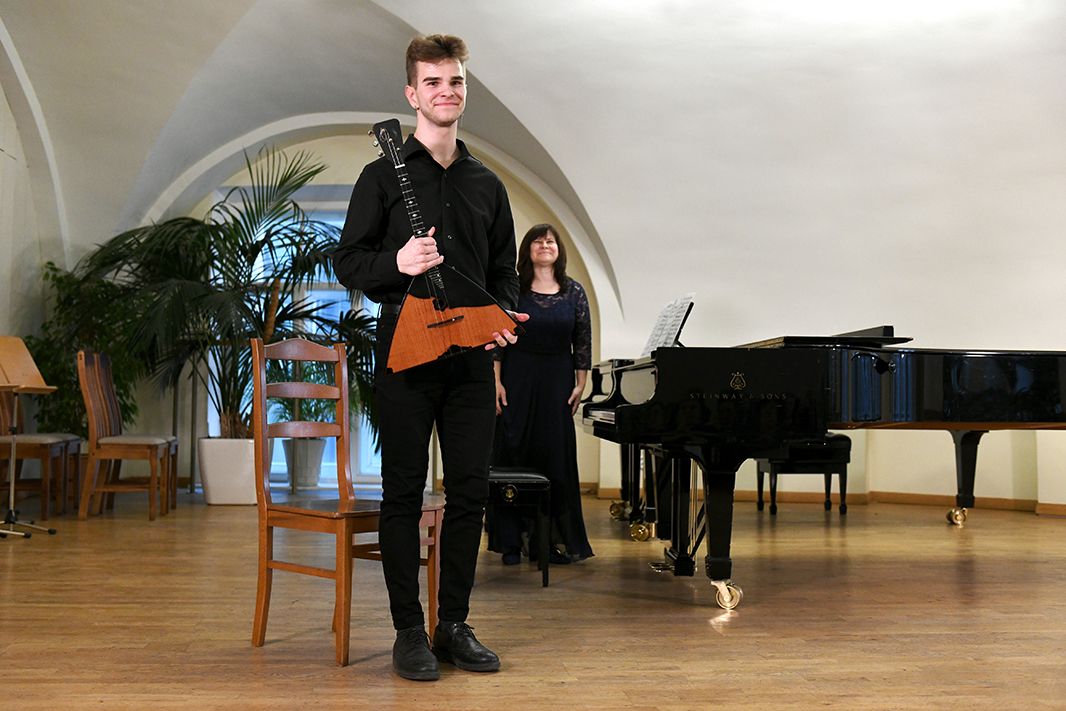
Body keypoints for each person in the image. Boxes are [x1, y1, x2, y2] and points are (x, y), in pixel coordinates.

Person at [333, 33, 527, 682]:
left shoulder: (487, 185)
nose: (448, 91)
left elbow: (504, 273)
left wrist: (502, 320)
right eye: (434, 82)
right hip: (406, 352)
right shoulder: (380, 176)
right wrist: (398, 261)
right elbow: (348, 262)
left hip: (470, 359)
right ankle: (408, 631)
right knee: (403, 493)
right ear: (412, 94)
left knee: (470, 492)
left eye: (456, 81)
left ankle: (454, 625)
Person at [491, 224, 594, 565]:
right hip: (517, 377)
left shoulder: (574, 291)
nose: (545, 245)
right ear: (527, 250)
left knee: (554, 460)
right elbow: (498, 337)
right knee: (513, 452)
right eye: (537, 240)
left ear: (558, 249)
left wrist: (580, 383)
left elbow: (582, 340)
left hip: (557, 381)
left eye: (550, 240)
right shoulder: (513, 289)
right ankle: (510, 542)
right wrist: (496, 381)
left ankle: (545, 543)